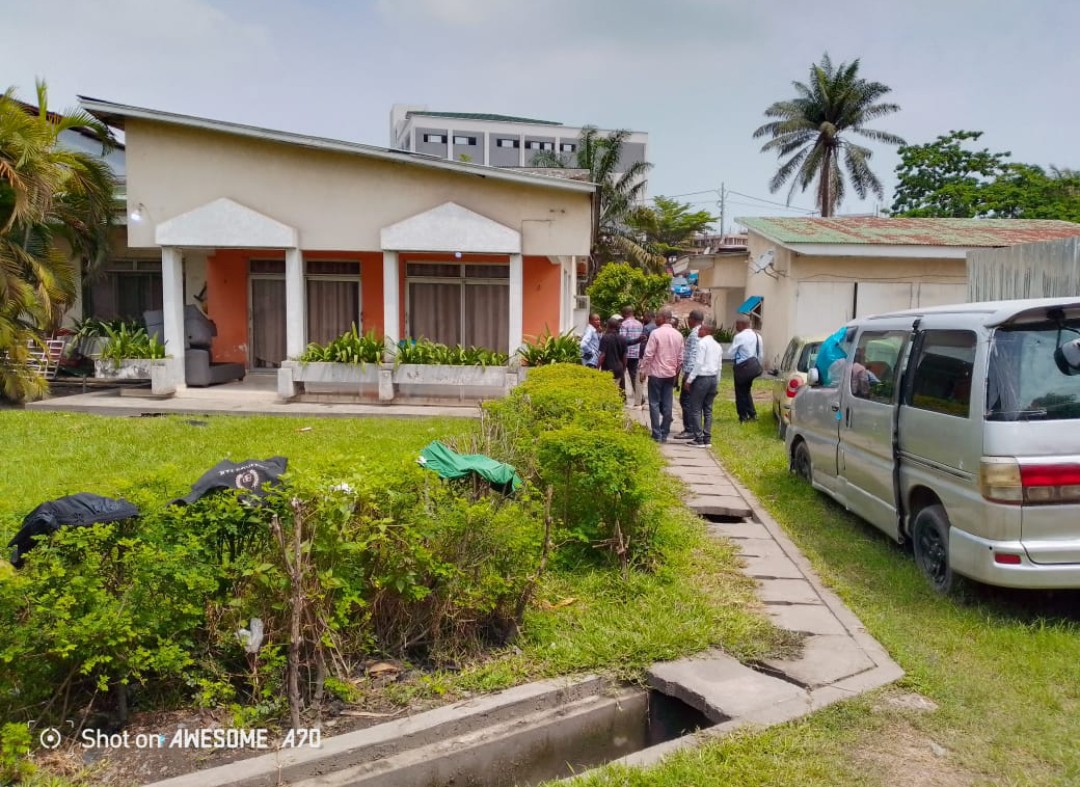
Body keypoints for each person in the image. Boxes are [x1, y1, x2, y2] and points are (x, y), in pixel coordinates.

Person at [639, 306, 683, 442]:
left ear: (663, 318)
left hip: (656, 374)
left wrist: (643, 370)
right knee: (668, 403)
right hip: (670, 374)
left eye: (657, 317)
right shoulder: (678, 335)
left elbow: (648, 354)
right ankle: (664, 432)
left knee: (654, 403)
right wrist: (676, 374)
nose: (655, 319)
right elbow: (680, 359)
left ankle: (656, 433)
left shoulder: (656, 333)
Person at [685, 321, 722, 447]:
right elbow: (719, 366)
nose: (698, 331)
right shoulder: (717, 346)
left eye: (700, 329)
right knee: (708, 409)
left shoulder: (702, 343)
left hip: (702, 378)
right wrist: (717, 382)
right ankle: (707, 438)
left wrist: (689, 380)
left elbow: (699, 363)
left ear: (707, 331)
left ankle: (698, 438)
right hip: (713, 378)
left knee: (695, 408)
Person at [674, 309, 704, 439]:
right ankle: (694, 428)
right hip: (699, 372)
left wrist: (688, 376)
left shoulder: (695, 334)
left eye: (689, 319)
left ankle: (690, 429)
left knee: (686, 401)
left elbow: (693, 355)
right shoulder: (702, 332)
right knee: (692, 402)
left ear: (692, 319)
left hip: (692, 373)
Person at [731, 315, 763, 422]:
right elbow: (761, 354)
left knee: (740, 392)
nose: (736, 327)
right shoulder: (758, 336)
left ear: (742, 324)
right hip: (753, 367)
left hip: (742, 368)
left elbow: (731, 353)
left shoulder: (739, 337)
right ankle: (752, 414)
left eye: (737, 324)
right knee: (746, 390)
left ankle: (743, 416)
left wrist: (738, 357)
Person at [619, 306, 645, 406]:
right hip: (636, 354)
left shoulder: (624, 324)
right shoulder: (639, 324)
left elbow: (622, 340)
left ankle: (623, 398)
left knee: (621, 376)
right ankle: (639, 399)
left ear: (625, 314)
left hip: (625, 354)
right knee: (634, 377)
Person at [598, 316, 629, 391]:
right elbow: (625, 356)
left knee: (607, 391)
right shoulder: (622, 338)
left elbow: (602, 355)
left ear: (608, 325)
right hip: (619, 369)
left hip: (607, 369)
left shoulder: (605, 338)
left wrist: (597, 367)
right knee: (617, 390)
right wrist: (624, 368)